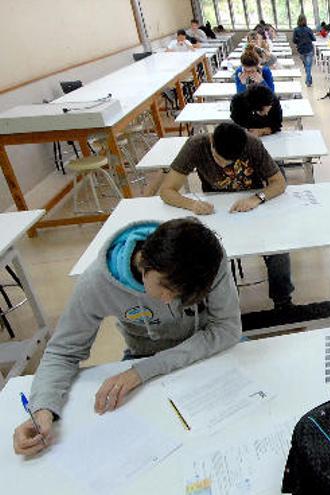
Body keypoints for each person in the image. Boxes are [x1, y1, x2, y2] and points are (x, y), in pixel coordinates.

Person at [13, 218, 240, 457]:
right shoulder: (98, 283)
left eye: (183, 296)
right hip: (144, 354)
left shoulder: (205, 260)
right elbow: (62, 351)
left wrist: (144, 370)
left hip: (204, 349)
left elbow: (226, 329)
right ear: (145, 265)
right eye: (166, 290)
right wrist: (43, 409)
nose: (170, 301)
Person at [158, 123, 295, 310]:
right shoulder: (195, 146)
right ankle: (219, 311)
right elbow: (167, 190)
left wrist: (257, 198)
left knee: (278, 249)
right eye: (219, 159)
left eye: (230, 162)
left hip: (251, 209)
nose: (224, 166)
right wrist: (193, 204)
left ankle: (283, 301)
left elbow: (279, 182)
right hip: (216, 212)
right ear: (211, 142)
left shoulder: (252, 144)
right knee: (208, 257)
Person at [293, 14, 316, 87]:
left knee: (306, 66)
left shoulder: (296, 30)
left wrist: (299, 41)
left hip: (301, 50)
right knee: (308, 66)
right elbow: (313, 39)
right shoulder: (308, 29)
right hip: (309, 49)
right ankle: (308, 80)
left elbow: (294, 40)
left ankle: (308, 80)